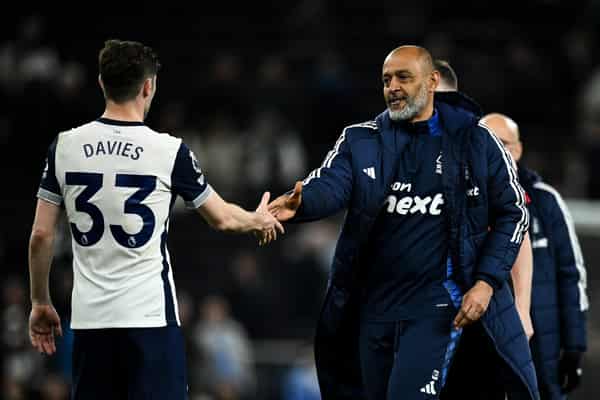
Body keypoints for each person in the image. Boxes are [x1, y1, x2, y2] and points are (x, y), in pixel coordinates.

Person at [268, 45, 537, 399]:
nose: (392, 86)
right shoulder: (361, 140)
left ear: (432, 81)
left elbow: (514, 213)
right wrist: (303, 204)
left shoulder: (477, 141)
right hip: (373, 308)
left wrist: (486, 283)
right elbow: (331, 184)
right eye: (386, 80)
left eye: (403, 77)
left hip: (436, 308)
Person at [27, 39, 283, 400]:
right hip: (151, 321)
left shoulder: (64, 146)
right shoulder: (169, 150)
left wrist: (40, 302)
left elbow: (41, 235)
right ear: (148, 86)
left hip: (90, 324)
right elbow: (223, 218)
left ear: (101, 83)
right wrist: (258, 219)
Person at [432, 60, 536, 400]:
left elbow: (516, 230)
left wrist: (522, 308)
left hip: (475, 308)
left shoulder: (480, 152)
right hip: (416, 312)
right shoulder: (392, 150)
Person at [480, 113, 588, 399]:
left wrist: (575, 345)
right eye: (486, 143)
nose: (494, 151)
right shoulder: (466, 201)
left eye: (502, 143)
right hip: (486, 337)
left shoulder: (545, 200)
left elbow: (571, 274)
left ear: (517, 149)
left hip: (544, 342)